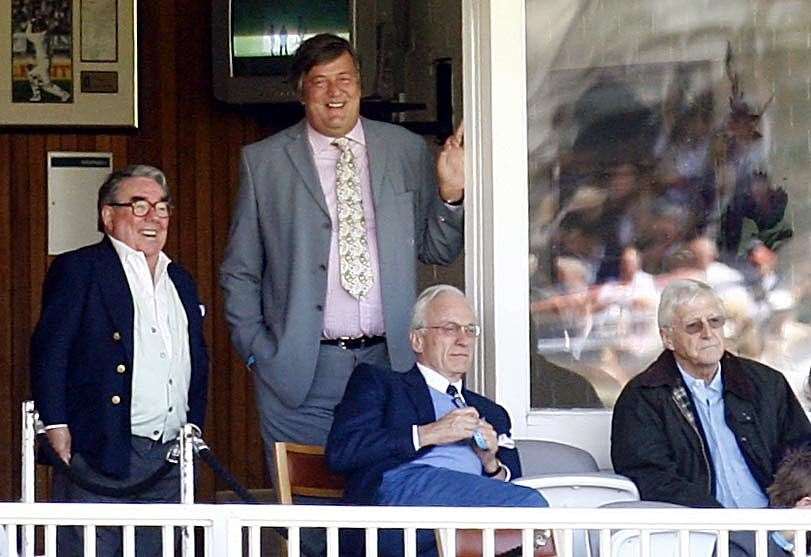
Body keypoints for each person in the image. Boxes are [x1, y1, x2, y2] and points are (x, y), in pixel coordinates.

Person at [220, 33, 465, 474]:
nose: (336, 92)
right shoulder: (264, 162)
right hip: (300, 371)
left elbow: (437, 249)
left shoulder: (405, 149)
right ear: (301, 91)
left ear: (360, 84)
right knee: (310, 517)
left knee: (387, 505)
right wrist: (258, 351)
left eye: (345, 78)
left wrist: (449, 195)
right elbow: (240, 271)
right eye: (320, 81)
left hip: (389, 364)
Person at [30, 165, 210, 556]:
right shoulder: (81, 268)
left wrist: (193, 424)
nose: (154, 218)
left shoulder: (180, 278)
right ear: (108, 215)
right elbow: (51, 349)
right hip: (101, 447)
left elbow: (196, 358)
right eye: (140, 206)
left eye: (162, 208)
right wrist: (56, 424)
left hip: (168, 455)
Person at [326, 285, 547, 557]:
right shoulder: (380, 383)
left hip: (457, 529)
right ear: (417, 340)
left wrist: (490, 463)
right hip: (397, 506)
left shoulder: (492, 412)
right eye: (450, 329)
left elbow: (509, 488)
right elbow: (342, 452)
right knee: (531, 508)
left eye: (470, 330)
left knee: (517, 528)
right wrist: (428, 434)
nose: (463, 340)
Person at [611, 279, 811, 509]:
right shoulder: (643, 398)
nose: (708, 333)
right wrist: (715, 519)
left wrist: (791, 507)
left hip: (778, 524)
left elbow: (802, 452)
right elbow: (651, 477)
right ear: (668, 338)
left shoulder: (766, 383)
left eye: (715, 322)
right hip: (698, 534)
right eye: (694, 326)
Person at [25, 16, 70, 102]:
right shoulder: (47, 34)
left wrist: (30, 23)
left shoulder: (38, 37)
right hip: (46, 61)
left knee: (46, 85)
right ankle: (38, 94)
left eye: (37, 27)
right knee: (43, 83)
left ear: (39, 27)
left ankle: (63, 94)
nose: (36, 28)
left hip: (43, 62)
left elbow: (28, 34)